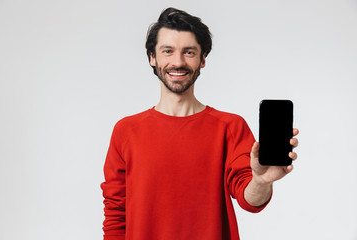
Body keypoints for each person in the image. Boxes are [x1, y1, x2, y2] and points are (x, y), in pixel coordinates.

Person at [101, 7, 299, 240]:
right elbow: (115, 214)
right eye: (167, 51)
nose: (177, 61)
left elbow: (250, 200)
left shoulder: (230, 127)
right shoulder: (126, 131)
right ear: (152, 57)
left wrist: (261, 180)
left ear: (203, 59)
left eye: (189, 52)